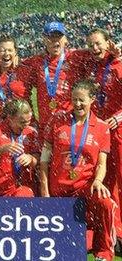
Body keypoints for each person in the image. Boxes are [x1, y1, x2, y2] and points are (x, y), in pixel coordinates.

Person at [40, 79, 116, 261]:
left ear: (92, 100)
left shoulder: (102, 128)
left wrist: (98, 180)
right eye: (74, 99)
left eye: (82, 100)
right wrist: (45, 191)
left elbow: (101, 163)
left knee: (107, 203)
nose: (78, 104)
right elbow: (44, 160)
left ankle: (104, 252)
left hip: (84, 189)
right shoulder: (58, 119)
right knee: (63, 251)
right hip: (59, 190)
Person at [85, 27, 122, 246]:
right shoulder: (93, 65)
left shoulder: (119, 64)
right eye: (91, 45)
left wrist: (119, 118)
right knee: (105, 180)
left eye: (98, 43)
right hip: (100, 131)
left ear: (108, 42)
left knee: (118, 180)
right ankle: (112, 231)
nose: (95, 48)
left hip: (118, 131)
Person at [21, 21, 90, 137]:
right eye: (51, 37)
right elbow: (13, 63)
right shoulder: (36, 61)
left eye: (58, 37)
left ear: (65, 39)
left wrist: (115, 54)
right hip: (45, 126)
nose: (55, 41)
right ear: (44, 40)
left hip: (70, 124)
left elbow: (99, 52)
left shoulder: (75, 57)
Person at [0, 99, 39, 196]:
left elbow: (38, 159)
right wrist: (3, 149)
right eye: (22, 122)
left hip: (22, 188)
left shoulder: (31, 132)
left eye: (28, 122)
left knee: (24, 194)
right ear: (10, 118)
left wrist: (31, 158)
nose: (25, 126)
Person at [0, 35, 32, 118]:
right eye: (2, 50)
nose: (6, 53)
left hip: (25, 122)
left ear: (15, 52)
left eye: (10, 50)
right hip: (3, 124)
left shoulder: (25, 70)